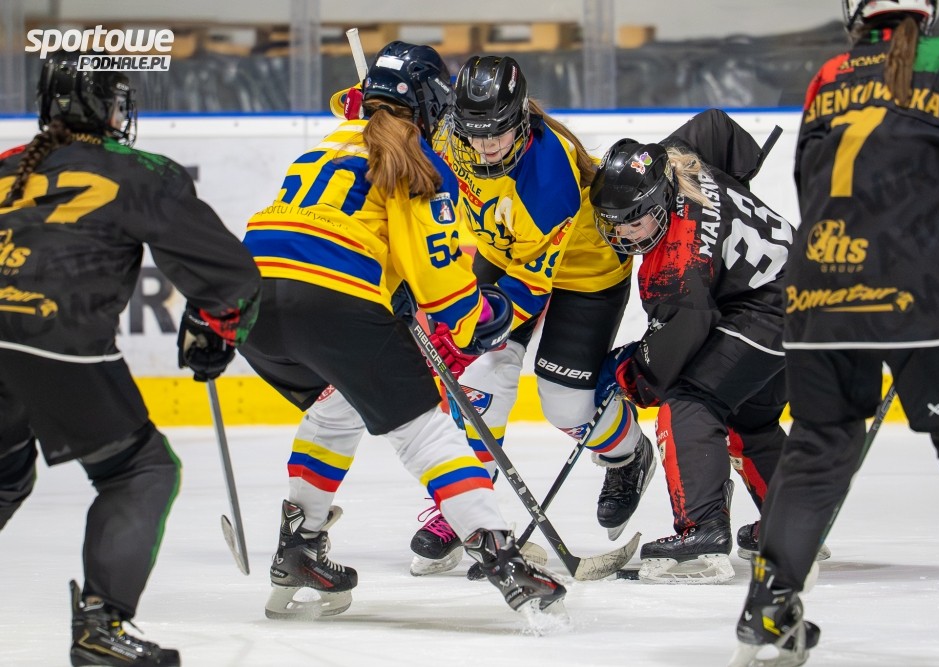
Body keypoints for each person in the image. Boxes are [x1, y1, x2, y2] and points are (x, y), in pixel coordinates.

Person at [238, 41, 567, 620]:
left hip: (252, 304)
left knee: (336, 409)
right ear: (434, 101)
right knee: (426, 433)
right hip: (330, 302)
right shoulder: (415, 160)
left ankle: (299, 546)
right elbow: (439, 283)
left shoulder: (329, 142)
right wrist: (479, 319)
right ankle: (501, 557)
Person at [730, 1, 939, 664]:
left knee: (818, 446)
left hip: (817, 285)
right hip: (915, 285)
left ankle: (769, 606)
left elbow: (810, 182)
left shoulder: (830, 73)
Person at [0, 52, 261, 667]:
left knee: (5, 475)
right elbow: (230, 278)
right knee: (140, 471)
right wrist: (215, 332)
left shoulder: (8, 163)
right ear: (110, 107)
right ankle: (101, 626)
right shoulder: (141, 171)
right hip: (53, 338)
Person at [405, 54, 659, 577]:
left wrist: (470, 320)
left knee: (565, 405)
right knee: (482, 377)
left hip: (583, 274)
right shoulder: (449, 134)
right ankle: (464, 508)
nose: (486, 145)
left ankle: (628, 454)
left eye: (498, 131)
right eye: (475, 132)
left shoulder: (549, 180)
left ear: (520, 116)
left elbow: (531, 286)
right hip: (503, 258)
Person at [589, 109, 798, 584]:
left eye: (635, 223)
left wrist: (626, 374)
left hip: (772, 312)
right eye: (614, 223)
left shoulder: (675, 266)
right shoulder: (680, 159)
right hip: (803, 293)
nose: (623, 234)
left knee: (689, 404)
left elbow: (668, 363)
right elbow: (717, 125)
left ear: (661, 201)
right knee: (750, 417)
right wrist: (737, 186)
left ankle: (702, 532)